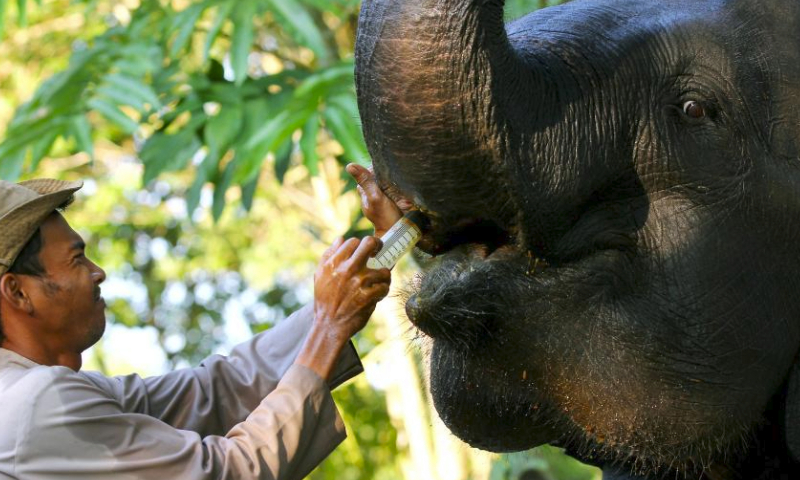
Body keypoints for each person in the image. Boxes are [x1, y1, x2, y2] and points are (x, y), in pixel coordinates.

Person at [0, 165, 403, 480]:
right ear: (17, 292)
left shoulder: (39, 394)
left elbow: (216, 389)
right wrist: (329, 327)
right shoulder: (35, 404)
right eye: (76, 259)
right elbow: (229, 473)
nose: (97, 272)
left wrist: (385, 248)